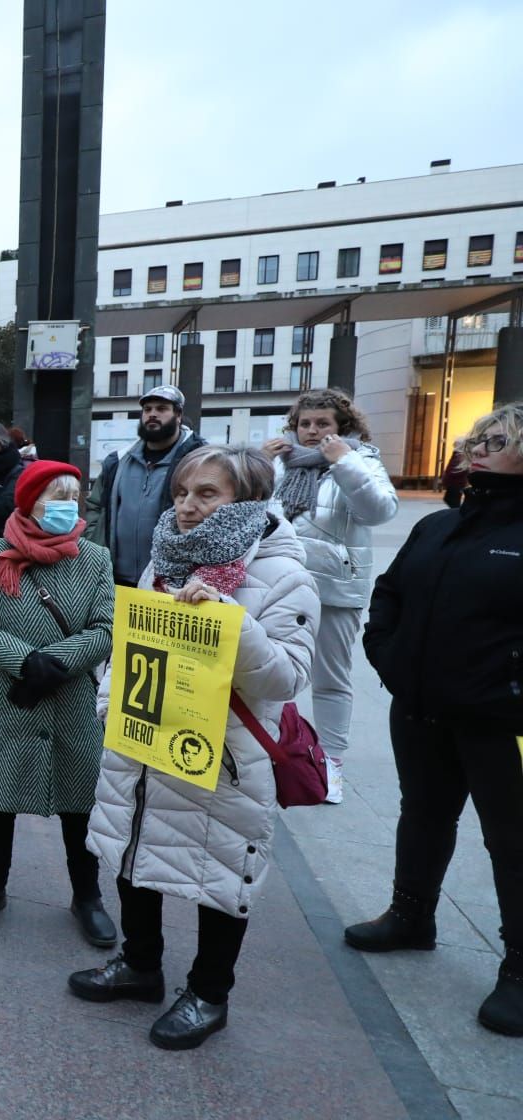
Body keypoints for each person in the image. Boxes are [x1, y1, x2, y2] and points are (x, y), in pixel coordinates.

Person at [73, 446, 318, 1051]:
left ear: (248, 501)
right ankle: (140, 966)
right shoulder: (166, 560)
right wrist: (109, 706)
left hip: (226, 760)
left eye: (207, 494)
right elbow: (135, 645)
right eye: (182, 493)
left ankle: (210, 994)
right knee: (136, 857)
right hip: (145, 746)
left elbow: (286, 679)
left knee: (220, 874)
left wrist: (230, 618)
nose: (187, 506)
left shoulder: (285, 572)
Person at [346, 403, 523, 1038]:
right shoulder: (439, 527)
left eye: (496, 441)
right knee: (423, 812)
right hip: (419, 705)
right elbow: (390, 594)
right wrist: (387, 656)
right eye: (476, 440)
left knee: (512, 841)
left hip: (499, 723)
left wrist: (507, 689)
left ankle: (520, 968)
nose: (478, 450)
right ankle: (411, 917)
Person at [0, 460, 116, 945]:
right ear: (28, 503)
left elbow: (107, 629)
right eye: (55, 497)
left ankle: (87, 896)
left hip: (70, 700)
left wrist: (56, 662)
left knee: (78, 802)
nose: (67, 506)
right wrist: (26, 661)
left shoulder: (95, 559)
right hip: (8, 696)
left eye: (74, 496)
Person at [263, 389, 398, 803]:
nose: (311, 431)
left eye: (322, 424)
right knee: (271, 673)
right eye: (305, 423)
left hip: (335, 588)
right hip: (281, 586)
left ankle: (331, 763)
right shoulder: (281, 463)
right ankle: (272, 751)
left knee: (330, 679)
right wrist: (260, 462)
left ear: (343, 428)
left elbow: (379, 511)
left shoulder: (362, 460)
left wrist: (345, 462)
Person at [86, 386, 208, 586]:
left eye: (161, 409)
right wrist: (95, 545)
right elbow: (95, 507)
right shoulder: (117, 461)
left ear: (178, 415)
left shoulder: (200, 459)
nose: (152, 414)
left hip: (171, 582)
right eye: (147, 409)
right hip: (115, 580)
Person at [440, 440, 469, 509]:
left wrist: (449, 475)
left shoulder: (460, 455)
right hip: (454, 481)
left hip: (456, 481)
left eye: (456, 444)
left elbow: (461, 468)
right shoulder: (456, 454)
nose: (454, 445)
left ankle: (458, 512)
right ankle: (457, 511)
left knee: (452, 500)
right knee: (450, 499)